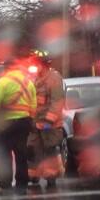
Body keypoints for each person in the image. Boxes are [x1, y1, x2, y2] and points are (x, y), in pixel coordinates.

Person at [0, 56, 36, 195]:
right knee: (21, 155)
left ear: (6, 68)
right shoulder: (28, 81)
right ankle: (22, 186)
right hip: (24, 122)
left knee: (3, 154)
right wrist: (30, 119)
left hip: (6, 124)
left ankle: (5, 185)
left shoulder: (3, 81)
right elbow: (33, 102)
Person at [28, 50, 66, 190]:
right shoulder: (35, 78)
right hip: (36, 124)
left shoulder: (54, 78)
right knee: (32, 149)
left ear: (43, 64)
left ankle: (51, 178)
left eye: (36, 64)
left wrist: (49, 121)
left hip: (50, 125)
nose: (34, 67)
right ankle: (33, 176)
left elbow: (57, 102)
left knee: (49, 150)